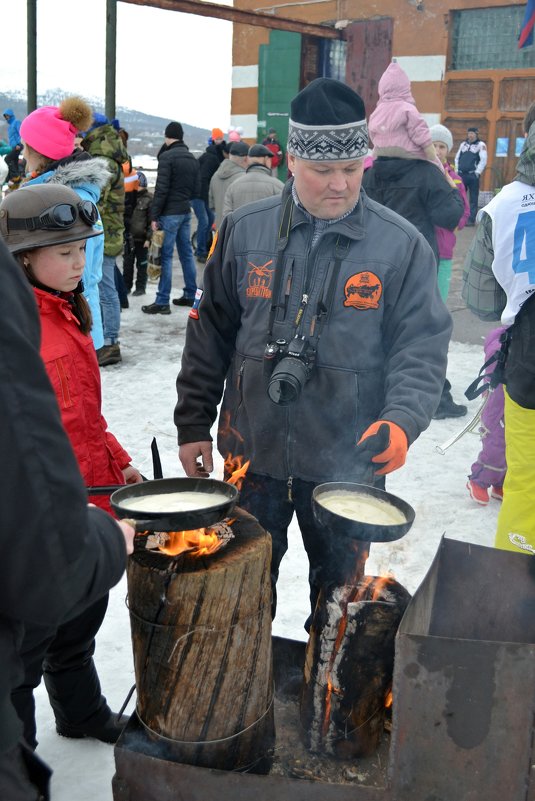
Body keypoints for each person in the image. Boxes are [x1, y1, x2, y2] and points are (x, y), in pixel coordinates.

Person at [174, 78, 452, 625]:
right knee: (241, 601)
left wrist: (402, 419)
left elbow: (420, 346)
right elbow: (210, 333)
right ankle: (248, 706)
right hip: (249, 454)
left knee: (340, 610)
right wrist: (191, 425)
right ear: (294, 160)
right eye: (324, 171)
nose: (339, 185)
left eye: (351, 170)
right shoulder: (244, 230)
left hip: (350, 463)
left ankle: (328, 707)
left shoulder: (400, 244)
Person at [0, 182, 143, 756]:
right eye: (63, 252)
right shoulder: (20, 330)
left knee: (79, 623)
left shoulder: (66, 314)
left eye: (82, 249)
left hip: (93, 493)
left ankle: (80, 712)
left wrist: (120, 460)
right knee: (24, 656)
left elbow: (82, 414)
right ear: (22, 258)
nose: (78, 262)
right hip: (47, 515)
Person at [462, 103, 535, 554]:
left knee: (525, 481)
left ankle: (514, 598)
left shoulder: (504, 203)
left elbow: (481, 301)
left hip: (528, 356)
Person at [362, 108, 467, 420]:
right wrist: (447, 181)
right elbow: (450, 216)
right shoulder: (427, 173)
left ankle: (380, 394)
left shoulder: (370, 173)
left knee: (379, 328)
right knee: (424, 330)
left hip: (375, 264)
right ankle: (435, 397)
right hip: (417, 262)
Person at [19, 96, 109, 353]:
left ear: (39, 151)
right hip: (62, 324)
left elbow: (80, 272)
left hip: (68, 325)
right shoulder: (61, 195)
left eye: (26, 147)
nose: (23, 155)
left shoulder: (66, 202)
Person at [82, 112, 130, 366]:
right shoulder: (109, 157)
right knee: (104, 286)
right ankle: (107, 339)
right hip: (108, 230)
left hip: (106, 232)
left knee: (105, 288)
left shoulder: (104, 161)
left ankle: (110, 342)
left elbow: (95, 199)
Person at [142, 121, 200, 314]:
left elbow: (161, 189)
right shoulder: (191, 158)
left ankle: (162, 301)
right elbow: (195, 188)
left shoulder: (167, 158)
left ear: (167, 137)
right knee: (186, 254)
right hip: (185, 211)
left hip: (169, 214)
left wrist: (154, 215)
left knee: (165, 256)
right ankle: (191, 294)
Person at [368, 61, 443, 171]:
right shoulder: (407, 108)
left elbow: (373, 132)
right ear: (405, 87)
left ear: (382, 87)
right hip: (406, 150)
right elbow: (419, 131)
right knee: (432, 165)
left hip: (381, 150)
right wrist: (432, 155)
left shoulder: (377, 111)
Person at [466, 325, 507, 506]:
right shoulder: (503, 340)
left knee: (518, 445)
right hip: (499, 401)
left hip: (523, 399)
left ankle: (501, 482)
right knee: (496, 442)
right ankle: (479, 479)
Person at [429, 123, 470, 301]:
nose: (437, 150)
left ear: (448, 150)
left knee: (440, 293)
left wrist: (456, 225)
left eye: (442, 146)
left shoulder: (456, 179)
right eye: (434, 145)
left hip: (444, 247)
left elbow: (465, 209)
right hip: (423, 244)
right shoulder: (422, 173)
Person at [222, 144, 285, 217]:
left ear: (248, 159)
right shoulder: (277, 186)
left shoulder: (233, 186)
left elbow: (226, 216)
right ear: (266, 160)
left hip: (241, 228)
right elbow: (285, 215)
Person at [194, 128, 227, 261]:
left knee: (209, 221)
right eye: (217, 139)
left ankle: (205, 247)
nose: (219, 141)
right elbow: (204, 177)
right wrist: (209, 195)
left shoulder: (214, 155)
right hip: (199, 195)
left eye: (220, 138)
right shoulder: (211, 158)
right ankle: (201, 251)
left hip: (203, 194)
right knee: (205, 221)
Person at [123, 170, 152, 295]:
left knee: (142, 264)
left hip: (142, 239)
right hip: (129, 238)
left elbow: (152, 220)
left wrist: (149, 238)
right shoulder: (128, 198)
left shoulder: (149, 199)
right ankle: (126, 287)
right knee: (127, 264)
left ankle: (141, 287)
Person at [208, 140, 248, 230]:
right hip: (237, 230)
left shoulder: (215, 176)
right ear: (246, 159)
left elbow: (211, 205)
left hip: (220, 230)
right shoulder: (244, 178)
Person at [454, 126, 487, 226]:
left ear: (476, 134)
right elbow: (457, 158)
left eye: (472, 133)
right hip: (461, 175)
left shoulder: (481, 145)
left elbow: (483, 159)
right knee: (460, 197)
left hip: (472, 175)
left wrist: (478, 172)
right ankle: (459, 218)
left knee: (473, 198)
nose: (470, 135)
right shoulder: (463, 144)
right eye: (469, 133)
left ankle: (471, 220)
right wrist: (456, 171)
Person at [2, 107, 23, 183]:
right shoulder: (9, 127)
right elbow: (11, 139)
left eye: (7, 115)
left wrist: (19, 144)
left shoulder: (16, 122)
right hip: (13, 147)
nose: (7, 117)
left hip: (18, 146)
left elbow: (21, 132)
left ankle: (12, 177)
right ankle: (17, 178)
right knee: (14, 161)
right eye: (5, 116)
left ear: (10, 115)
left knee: (7, 159)